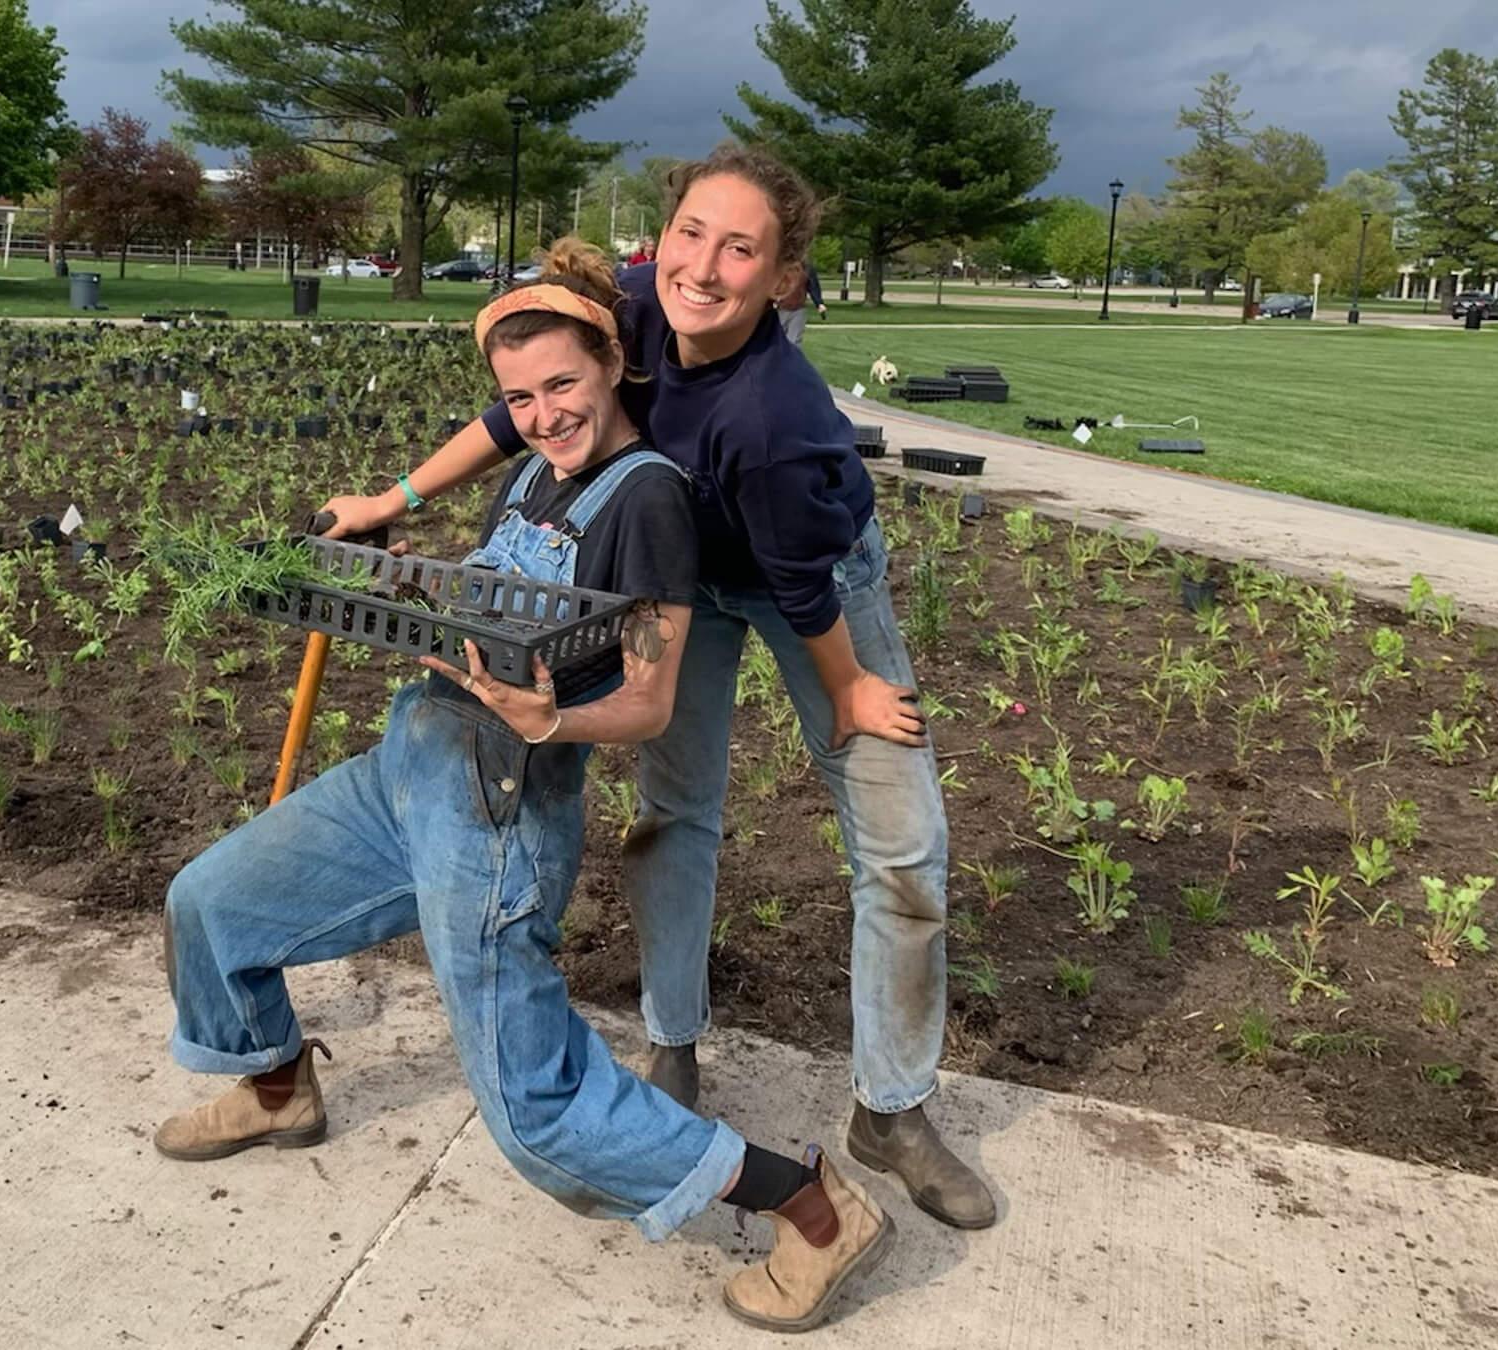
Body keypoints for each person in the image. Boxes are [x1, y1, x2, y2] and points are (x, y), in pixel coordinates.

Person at [159, 238, 895, 1332]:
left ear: (612, 366)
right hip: (408, 770)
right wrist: (389, 565)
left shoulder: (648, 501)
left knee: (536, 1110)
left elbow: (648, 703)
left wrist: (550, 718)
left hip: (498, 806)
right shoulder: (535, 471)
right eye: (520, 398)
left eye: (561, 386)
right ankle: (276, 1086)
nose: (544, 414)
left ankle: (813, 1209)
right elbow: (496, 599)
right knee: (211, 905)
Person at [318, 144, 993, 1233]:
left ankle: (893, 1109)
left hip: (817, 584)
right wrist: (391, 498)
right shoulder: (630, 306)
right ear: (664, 234)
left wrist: (853, 691)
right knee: (675, 810)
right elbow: (516, 412)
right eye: (691, 234)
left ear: (783, 278)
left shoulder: (772, 415)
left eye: (742, 250)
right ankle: (674, 1043)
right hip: (684, 581)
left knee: (901, 841)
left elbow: (798, 581)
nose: (704, 268)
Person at [777, 257, 828, 346]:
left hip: (798, 309)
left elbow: (813, 286)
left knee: (794, 340)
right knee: (778, 339)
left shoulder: (807, 268)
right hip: (780, 308)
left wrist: (819, 303)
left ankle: (792, 354)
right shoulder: (780, 266)